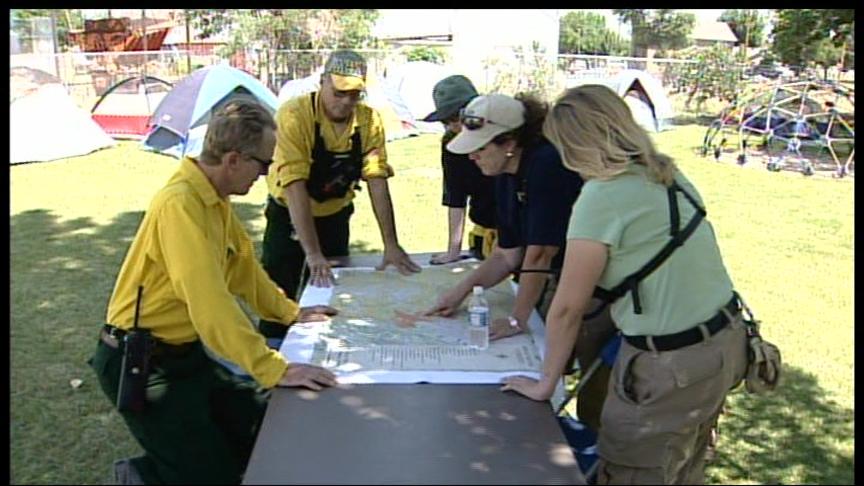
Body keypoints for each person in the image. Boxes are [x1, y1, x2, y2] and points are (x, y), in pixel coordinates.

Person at [501, 84, 749, 484]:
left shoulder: (602, 195)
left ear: (574, 144)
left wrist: (546, 383)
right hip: (724, 343)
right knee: (685, 465)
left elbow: (567, 307)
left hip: (672, 363)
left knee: (633, 471)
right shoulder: (667, 172)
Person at [89, 99, 339, 485]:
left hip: (185, 356)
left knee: (257, 430)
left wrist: (291, 313)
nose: (266, 173)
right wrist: (274, 369)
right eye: (264, 163)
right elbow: (210, 305)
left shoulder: (214, 199)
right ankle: (138, 477)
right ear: (234, 160)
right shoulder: (180, 204)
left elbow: (243, 270)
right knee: (211, 476)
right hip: (141, 363)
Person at [259, 49, 421, 344]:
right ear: (322, 82)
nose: (346, 102)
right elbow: (294, 184)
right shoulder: (294, 114)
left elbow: (377, 179)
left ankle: (322, 348)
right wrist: (312, 252)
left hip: (335, 214)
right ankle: (272, 351)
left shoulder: (369, 119)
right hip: (289, 213)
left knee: (329, 287)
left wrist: (390, 243)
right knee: (276, 290)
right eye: (339, 92)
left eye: (355, 95)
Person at [425, 93, 584, 340]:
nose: (471, 156)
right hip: (554, 275)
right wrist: (459, 293)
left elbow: (541, 253)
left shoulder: (547, 164)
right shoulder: (504, 172)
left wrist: (516, 320)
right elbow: (506, 254)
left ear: (509, 143)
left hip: (590, 281)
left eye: (480, 147)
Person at [422, 75, 497, 264]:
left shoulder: (503, 136)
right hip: (486, 233)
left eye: (457, 117)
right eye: (446, 121)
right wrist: (453, 251)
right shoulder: (451, 145)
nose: (453, 126)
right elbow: (455, 197)